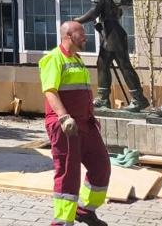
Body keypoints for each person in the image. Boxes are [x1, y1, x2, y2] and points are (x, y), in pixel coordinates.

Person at [40, 20, 110, 226]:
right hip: (65, 125)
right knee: (69, 174)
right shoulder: (53, 58)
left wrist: (91, 118)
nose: (86, 37)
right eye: (81, 33)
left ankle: (85, 210)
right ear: (69, 36)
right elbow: (50, 91)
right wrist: (63, 116)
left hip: (85, 124)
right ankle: (62, 221)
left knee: (101, 166)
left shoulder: (77, 59)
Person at [74, 0, 148, 111]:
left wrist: (77, 21)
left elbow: (94, 11)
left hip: (113, 32)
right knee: (103, 63)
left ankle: (139, 99)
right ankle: (103, 98)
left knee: (123, 65)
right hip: (110, 30)